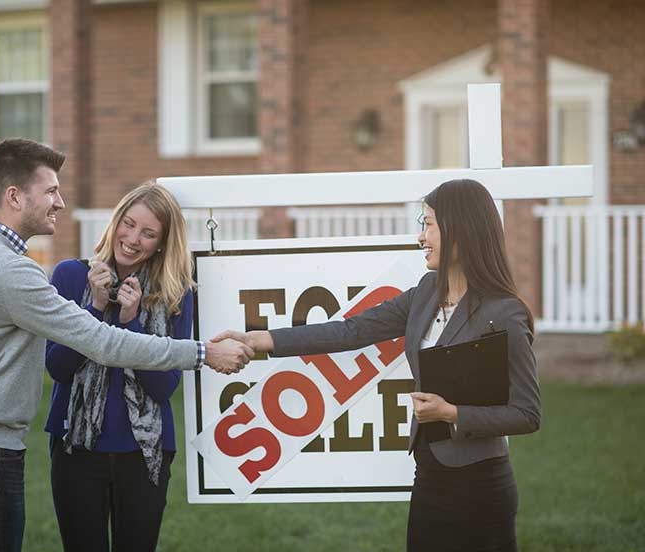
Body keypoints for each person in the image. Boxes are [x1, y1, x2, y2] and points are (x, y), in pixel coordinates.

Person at [0, 138, 252, 552]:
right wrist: (202, 352)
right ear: (16, 196)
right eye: (51, 191)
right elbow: (94, 347)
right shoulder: (19, 272)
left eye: (148, 233)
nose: (60, 201)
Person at [214, 179, 541, 551]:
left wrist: (451, 413)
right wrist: (259, 340)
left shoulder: (504, 314)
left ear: (460, 229)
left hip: (482, 487)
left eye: (428, 224)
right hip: (430, 477)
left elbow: (527, 414)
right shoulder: (424, 294)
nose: (421, 236)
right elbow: (350, 331)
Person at [44, 183, 193, 551]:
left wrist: (131, 322)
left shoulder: (175, 293)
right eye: (128, 224)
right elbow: (58, 369)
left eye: (148, 233)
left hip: (143, 452)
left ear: (161, 243)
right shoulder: (69, 276)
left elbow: (162, 390)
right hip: (75, 448)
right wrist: (93, 311)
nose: (132, 238)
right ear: (115, 222)